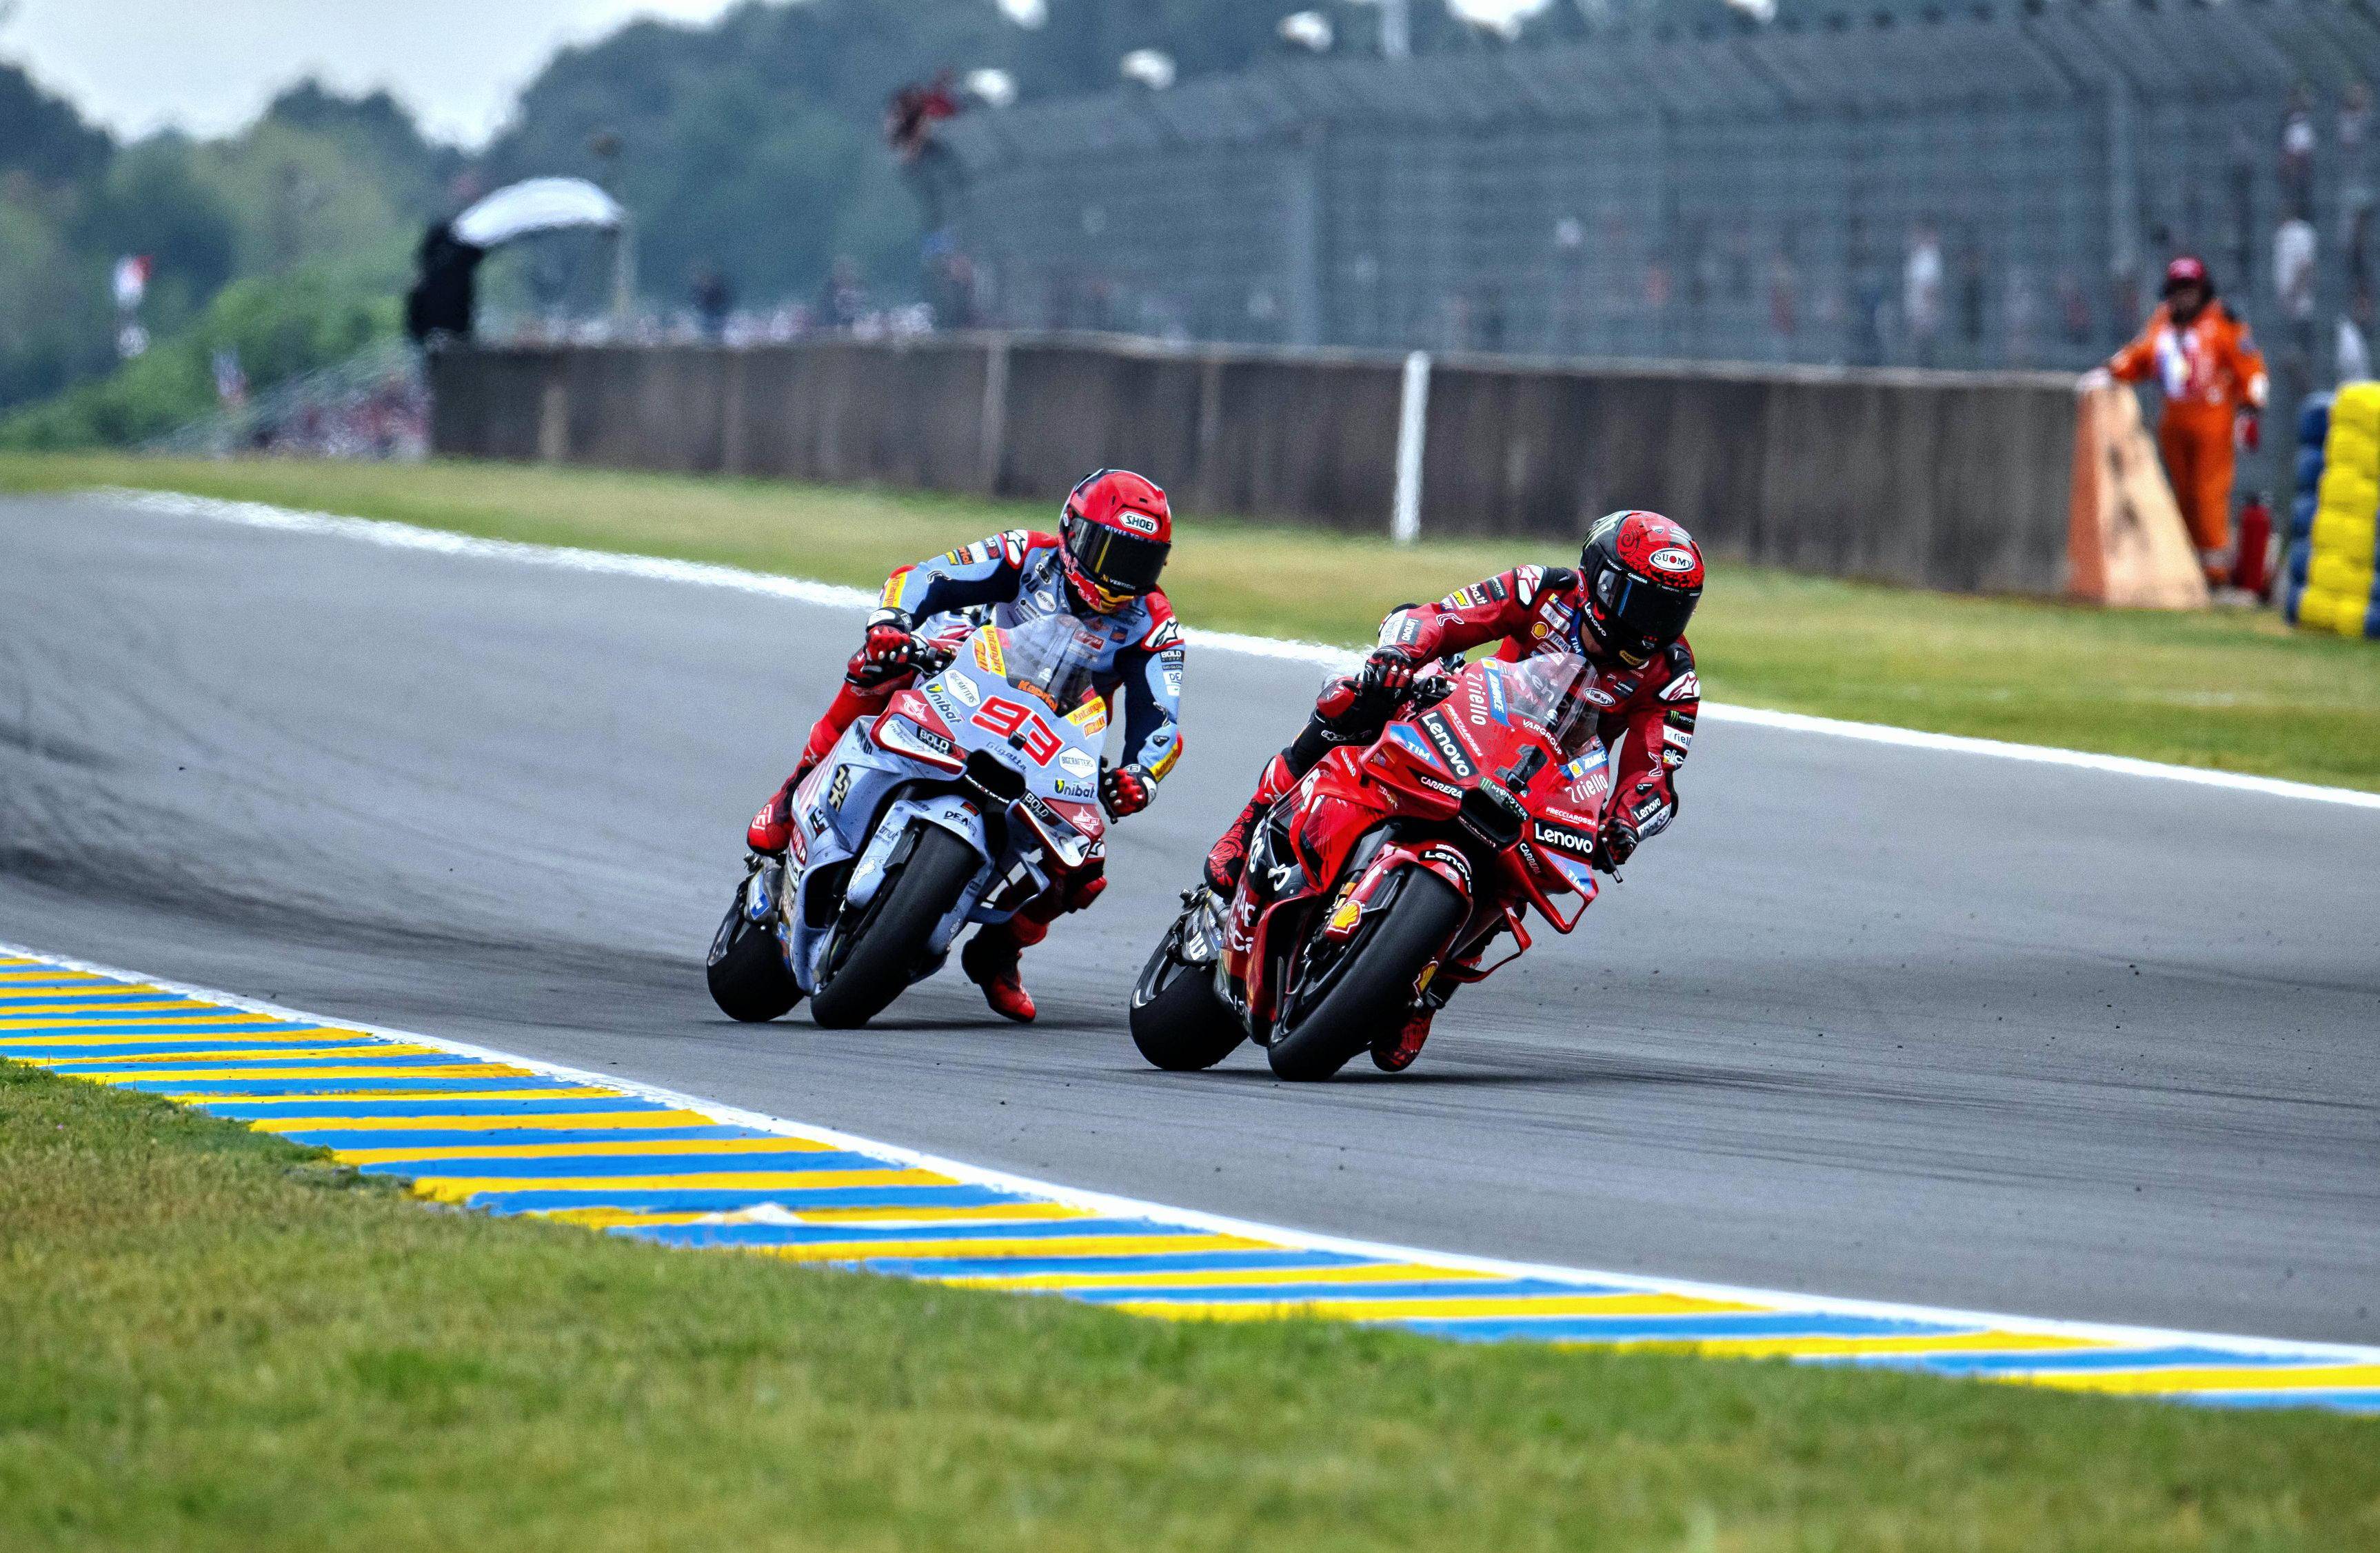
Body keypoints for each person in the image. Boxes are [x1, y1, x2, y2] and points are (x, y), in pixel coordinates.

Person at [1200, 510, 1704, 1072]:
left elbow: (1655, 775)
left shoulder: (1673, 676)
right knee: (1352, 698)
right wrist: (1400, 654)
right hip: (1475, 717)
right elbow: (1441, 616)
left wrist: (1626, 823)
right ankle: (1248, 825)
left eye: (1670, 610)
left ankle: (1431, 989)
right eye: (1640, 602)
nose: (1651, 625)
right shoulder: (1542, 589)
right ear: (1599, 580)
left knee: (1533, 871)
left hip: (1548, 779)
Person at [745, 470, 1185, 1023]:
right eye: (1111, 552)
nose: (1121, 575)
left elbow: (1162, 722)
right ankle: (794, 792)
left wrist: (1140, 775)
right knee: (877, 669)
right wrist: (892, 622)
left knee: (1085, 863)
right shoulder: (1026, 554)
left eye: (1141, 561)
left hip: (1057, 734)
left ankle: (999, 950)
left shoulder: (1155, 626)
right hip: (969, 675)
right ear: (1073, 532)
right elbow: (927, 576)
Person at [2101, 256, 2270, 586]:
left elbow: (2249, 366)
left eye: (2190, 289)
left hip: (2213, 422)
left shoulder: (2221, 322)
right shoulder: (2162, 322)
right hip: (2174, 422)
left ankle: (2215, 571)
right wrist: (2112, 370)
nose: (2184, 296)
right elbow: (2139, 356)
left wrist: (2252, 407)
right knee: (2181, 495)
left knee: (2209, 494)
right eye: (2178, 289)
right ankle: (2186, 566)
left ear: (2202, 290)